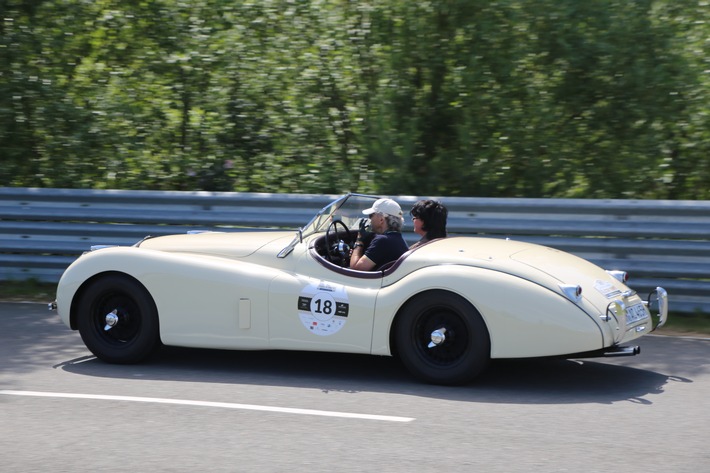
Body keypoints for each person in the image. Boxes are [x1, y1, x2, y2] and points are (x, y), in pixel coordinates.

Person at [350, 198, 409, 271]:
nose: (370, 220)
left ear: (381, 219)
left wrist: (359, 241)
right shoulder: (399, 240)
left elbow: (356, 269)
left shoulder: (382, 241)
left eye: (371, 215)